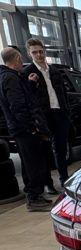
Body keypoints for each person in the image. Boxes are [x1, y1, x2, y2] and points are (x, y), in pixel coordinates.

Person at [0, 47, 51, 212]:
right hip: (24, 130)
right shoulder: (10, 78)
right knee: (34, 164)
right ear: (16, 59)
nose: (22, 62)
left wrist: (29, 83)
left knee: (30, 164)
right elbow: (18, 106)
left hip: (20, 129)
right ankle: (34, 198)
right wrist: (32, 127)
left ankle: (35, 195)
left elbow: (23, 98)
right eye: (21, 59)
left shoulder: (10, 77)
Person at [23, 38, 70, 193]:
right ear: (29, 54)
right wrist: (31, 83)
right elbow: (27, 97)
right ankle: (48, 183)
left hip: (59, 113)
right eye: (34, 52)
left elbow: (63, 93)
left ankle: (64, 179)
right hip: (43, 116)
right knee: (45, 151)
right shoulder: (28, 72)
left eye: (41, 51)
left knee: (61, 149)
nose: (39, 55)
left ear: (44, 51)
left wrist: (66, 111)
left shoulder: (54, 70)